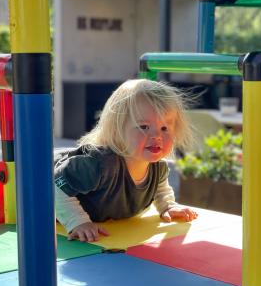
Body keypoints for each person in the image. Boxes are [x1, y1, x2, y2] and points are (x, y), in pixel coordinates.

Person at [54, 79, 198, 242]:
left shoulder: (157, 167)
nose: (157, 136)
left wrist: (168, 206)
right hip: (37, 175)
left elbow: (160, 189)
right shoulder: (99, 164)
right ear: (117, 130)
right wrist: (78, 222)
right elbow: (56, 187)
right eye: (144, 127)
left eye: (164, 128)